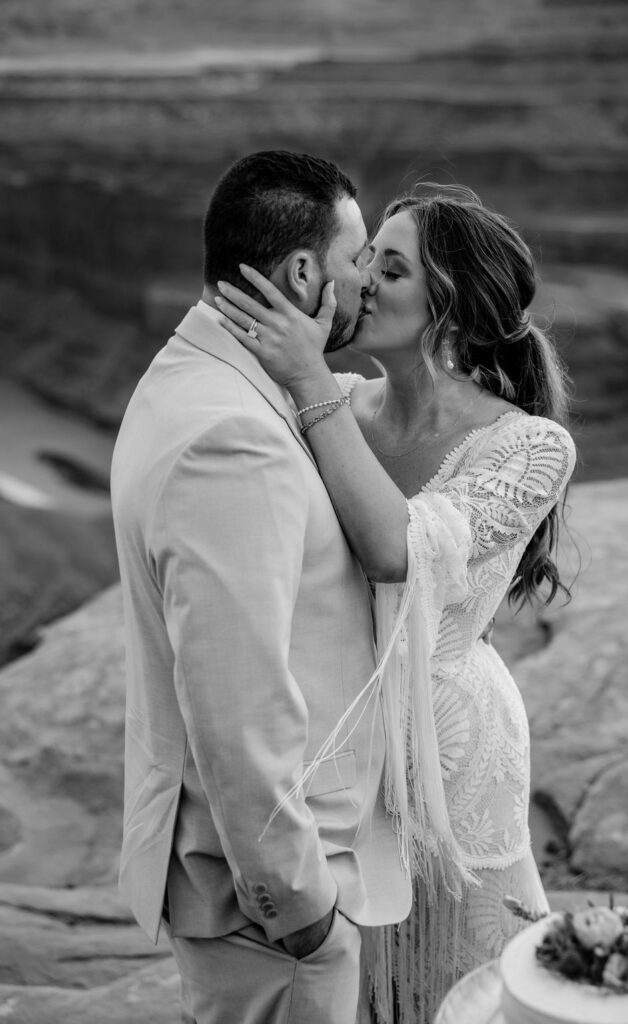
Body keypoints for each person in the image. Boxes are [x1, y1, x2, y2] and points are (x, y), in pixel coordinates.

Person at [213, 183, 577, 1024]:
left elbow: (394, 551)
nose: (363, 279)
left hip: (452, 757)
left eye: (393, 265)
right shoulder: (333, 401)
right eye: (365, 254)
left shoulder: (526, 445)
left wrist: (304, 375)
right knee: (347, 987)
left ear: (452, 310)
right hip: (332, 744)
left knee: (465, 990)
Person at [110, 150, 412, 1024]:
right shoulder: (229, 440)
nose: (366, 283)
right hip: (265, 915)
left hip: (245, 896)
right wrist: (304, 913)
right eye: (359, 260)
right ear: (304, 271)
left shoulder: (194, 374)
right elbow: (236, 714)